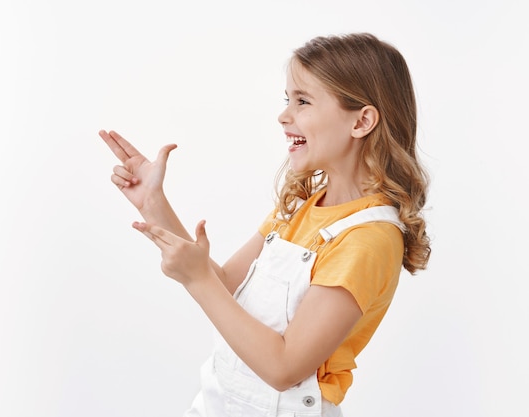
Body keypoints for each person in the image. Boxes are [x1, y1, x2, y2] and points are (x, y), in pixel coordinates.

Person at [99, 32, 431, 417]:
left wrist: (196, 279)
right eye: (286, 99)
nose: (284, 115)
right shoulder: (299, 209)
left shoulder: (367, 238)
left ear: (362, 121)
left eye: (303, 101)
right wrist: (153, 203)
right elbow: (226, 286)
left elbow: (285, 368)